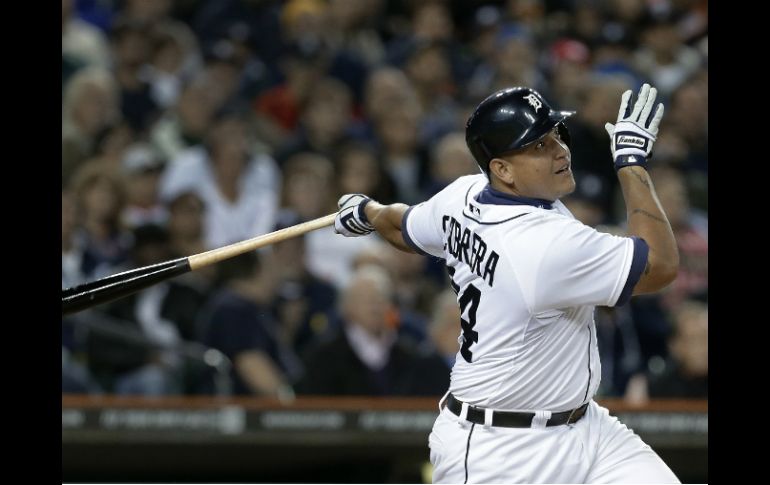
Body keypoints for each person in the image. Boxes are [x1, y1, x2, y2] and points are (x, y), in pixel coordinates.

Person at [334, 84, 680, 483]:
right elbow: (661, 266)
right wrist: (631, 164)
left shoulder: (463, 195)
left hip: (588, 430)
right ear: (502, 170)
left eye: (555, 134)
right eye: (538, 146)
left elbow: (401, 224)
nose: (560, 151)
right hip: (500, 451)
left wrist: (367, 211)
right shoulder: (544, 246)